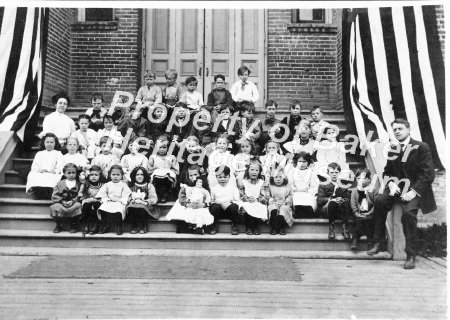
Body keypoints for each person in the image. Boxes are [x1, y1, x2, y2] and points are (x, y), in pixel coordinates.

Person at [368, 118, 436, 270]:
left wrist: (413, 192)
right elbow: (387, 172)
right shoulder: (394, 149)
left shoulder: (421, 147)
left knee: (408, 214)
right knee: (379, 200)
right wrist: (391, 183)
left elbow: (428, 175)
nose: (397, 131)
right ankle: (378, 242)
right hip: (397, 189)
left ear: (408, 129)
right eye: (395, 129)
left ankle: (411, 254)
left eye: (400, 129)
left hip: (415, 190)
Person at [166, 169, 213, 234]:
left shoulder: (203, 185)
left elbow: (208, 197)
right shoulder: (185, 186)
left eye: (195, 175)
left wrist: (204, 204)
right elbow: (181, 197)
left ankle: (199, 227)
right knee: (182, 211)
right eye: (191, 175)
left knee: (201, 213)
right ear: (187, 177)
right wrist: (187, 204)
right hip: (186, 203)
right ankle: (184, 227)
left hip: (200, 203)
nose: (193, 177)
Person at [316, 162, 351, 240]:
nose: (334, 174)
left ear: (340, 173)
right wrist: (331, 199)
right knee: (333, 203)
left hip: (341, 209)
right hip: (328, 208)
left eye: (336, 172)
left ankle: (345, 228)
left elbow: (348, 198)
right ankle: (331, 228)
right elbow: (319, 200)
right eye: (332, 172)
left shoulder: (343, 184)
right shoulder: (323, 184)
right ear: (328, 173)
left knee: (344, 203)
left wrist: (342, 199)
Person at [96, 165, 132, 235]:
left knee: (119, 210)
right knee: (103, 208)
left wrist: (122, 200)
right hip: (109, 202)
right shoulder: (107, 185)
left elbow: (125, 195)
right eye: (113, 174)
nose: (115, 176)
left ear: (121, 176)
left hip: (119, 202)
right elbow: (103, 194)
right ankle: (104, 225)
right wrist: (106, 199)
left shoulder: (123, 185)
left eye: (118, 175)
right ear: (110, 175)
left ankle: (119, 226)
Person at [26, 133, 64, 199]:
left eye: (52, 142)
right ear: (44, 142)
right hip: (41, 172)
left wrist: (55, 171)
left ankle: (50, 193)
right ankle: (39, 193)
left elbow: (60, 166)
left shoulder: (58, 153)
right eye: (47, 142)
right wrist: (39, 170)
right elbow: (35, 166)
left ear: (55, 143)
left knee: (52, 177)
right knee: (33, 175)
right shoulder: (39, 153)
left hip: (53, 173)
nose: (49, 144)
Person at [238, 159, 269, 235]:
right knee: (246, 206)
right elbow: (241, 193)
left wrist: (257, 199)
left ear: (259, 172)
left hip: (258, 201)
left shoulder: (262, 183)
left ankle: (256, 227)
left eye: (256, 170)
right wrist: (247, 199)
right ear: (248, 171)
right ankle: (248, 227)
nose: (254, 172)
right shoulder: (244, 182)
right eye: (252, 170)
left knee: (259, 206)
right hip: (247, 201)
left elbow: (265, 195)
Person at [49, 163, 82, 233]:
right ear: (64, 173)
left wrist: (73, 201)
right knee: (54, 207)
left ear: (76, 173)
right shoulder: (60, 183)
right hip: (62, 202)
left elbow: (81, 195)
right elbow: (55, 195)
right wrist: (62, 201)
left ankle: (73, 224)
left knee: (78, 206)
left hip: (74, 202)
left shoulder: (79, 184)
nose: (71, 175)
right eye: (69, 173)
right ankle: (59, 224)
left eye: (73, 173)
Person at [125, 167, 159, 234]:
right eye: (137, 175)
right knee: (132, 207)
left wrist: (145, 202)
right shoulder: (130, 185)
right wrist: (131, 200)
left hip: (145, 206)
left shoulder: (149, 186)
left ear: (145, 176)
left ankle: (143, 225)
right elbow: (126, 196)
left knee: (141, 207)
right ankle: (133, 225)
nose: (139, 176)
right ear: (134, 176)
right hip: (133, 204)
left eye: (141, 174)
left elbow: (153, 198)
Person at [209, 165, 241, 235]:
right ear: (216, 177)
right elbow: (211, 200)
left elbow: (237, 200)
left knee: (234, 207)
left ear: (229, 177)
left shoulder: (233, 188)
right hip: (219, 210)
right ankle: (214, 225)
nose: (222, 179)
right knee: (214, 207)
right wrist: (217, 202)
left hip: (229, 209)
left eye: (225, 177)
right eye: (220, 177)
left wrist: (229, 203)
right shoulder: (214, 188)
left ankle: (234, 226)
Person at [350, 168, 375, 251]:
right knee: (357, 223)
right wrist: (356, 213)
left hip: (370, 213)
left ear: (369, 179)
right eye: (358, 178)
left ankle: (370, 243)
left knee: (370, 224)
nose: (361, 181)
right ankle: (355, 240)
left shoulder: (372, 190)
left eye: (364, 179)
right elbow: (353, 204)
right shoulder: (354, 191)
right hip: (359, 213)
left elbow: (376, 204)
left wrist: (370, 213)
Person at [288, 151, 318, 218]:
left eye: (304, 161)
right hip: (296, 193)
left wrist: (309, 190)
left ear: (308, 162)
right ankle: (298, 212)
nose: (302, 164)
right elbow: (289, 185)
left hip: (307, 193)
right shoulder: (292, 172)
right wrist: (296, 189)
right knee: (297, 199)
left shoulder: (311, 172)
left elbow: (314, 186)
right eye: (300, 161)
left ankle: (309, 213)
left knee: (310, 199)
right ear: (296, 162)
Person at [148, 139, 179, 203]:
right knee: (157, 177)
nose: (162, 149)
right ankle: (158, 195)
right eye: (160, 147)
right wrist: (154, 168)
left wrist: (169, 170)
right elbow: (149, 168)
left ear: (167, 148)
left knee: (166, 177)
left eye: (164, 147)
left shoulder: (171, 157)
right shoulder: (153, 157)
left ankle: (165, 194)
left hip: (167, 175)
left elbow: (176, 169)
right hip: (156, 174)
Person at [78, 165, 104, 235]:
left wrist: (98, 199)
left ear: (100, 176)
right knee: (87, 205)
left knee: (97, 206)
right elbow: (80, 194)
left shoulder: (102, 185)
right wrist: (86, 198)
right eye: (91, 175)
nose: (94, 176)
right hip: (87, 200)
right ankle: (85, 224)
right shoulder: (85, 185)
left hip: (98, 201)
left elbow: (104, 194)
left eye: (96, 175)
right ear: (88, 176)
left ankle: (95, 225)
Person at [267, 168, 293, 235]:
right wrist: (273, 201)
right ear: (272, 178)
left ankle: (282, 227)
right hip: (274, 203)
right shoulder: (270, 186)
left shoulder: (287, 187)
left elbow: (290, 195)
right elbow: (268, 196)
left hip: (284, 203)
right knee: (273, 210)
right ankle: (273, 228)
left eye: (280, 177)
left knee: (283, 210)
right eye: (276, 177)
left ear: (284, 178)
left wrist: (287, 201)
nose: (278, 179)